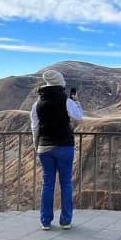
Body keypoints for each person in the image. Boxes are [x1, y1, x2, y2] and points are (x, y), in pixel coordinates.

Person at [30, 70, 83, 230]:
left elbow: (35, 127)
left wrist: (36, 145)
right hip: (64, 146)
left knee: (47, 184)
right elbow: (79, 117)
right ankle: (66, 221)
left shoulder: (37, 104)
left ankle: (45, 221)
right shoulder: (66, 101)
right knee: (66, 183)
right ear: (60, 83)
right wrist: (77, 102)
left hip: (44, 148)